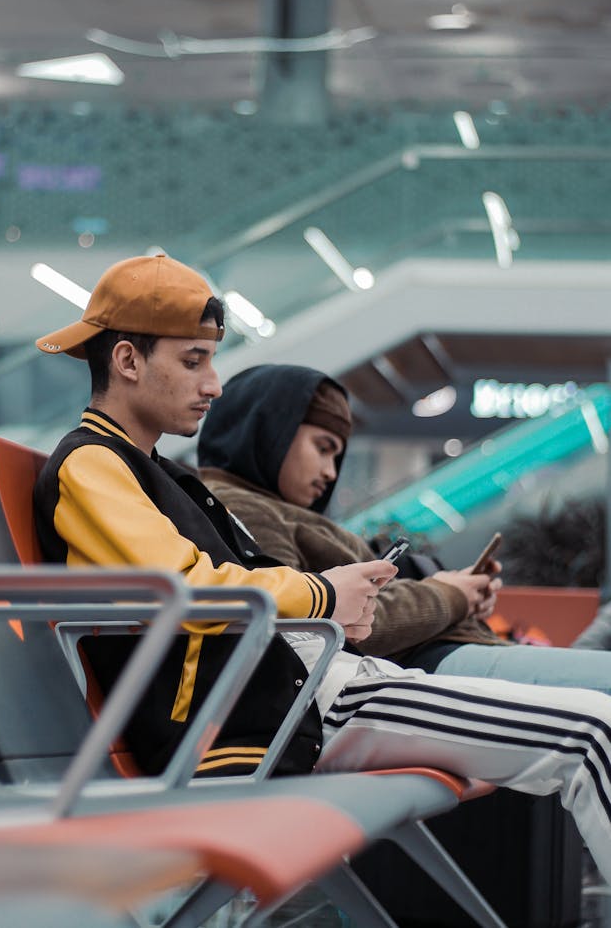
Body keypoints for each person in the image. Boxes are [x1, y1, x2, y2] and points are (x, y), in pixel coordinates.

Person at [34, 255, 611, 883]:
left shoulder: (158, 473)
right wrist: (324, 595)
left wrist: (338, 610)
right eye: (193, 360)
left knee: (594, 730)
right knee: (590, 735)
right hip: (282, 710)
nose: (213, 384)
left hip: (304, 688)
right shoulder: (91, 465)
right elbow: (194, 592)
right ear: (127, 361)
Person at [198, 363, 611, 699]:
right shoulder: (242, 507)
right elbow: (315, 629)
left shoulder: (273, 508)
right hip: (418, 667)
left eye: (337, 457)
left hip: (431, 660)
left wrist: (458, 598)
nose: (329, 472)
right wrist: (449, 596)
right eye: (322, 447)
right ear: (269, 430)